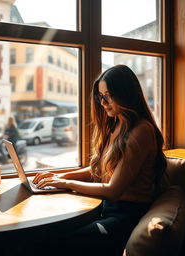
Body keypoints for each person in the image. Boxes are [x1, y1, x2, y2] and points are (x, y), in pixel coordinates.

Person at [32, 65, 168, 255]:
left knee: (51, 245)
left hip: (126, 217)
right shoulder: (117, 125)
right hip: (107, 210)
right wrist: (56, 178)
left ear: (126, 94)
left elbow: (113, 190)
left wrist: (64, 182)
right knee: (43, 234)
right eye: (100, 96)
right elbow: (96, 170)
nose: (103, 103)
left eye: (108, 95)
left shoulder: (141, 130)